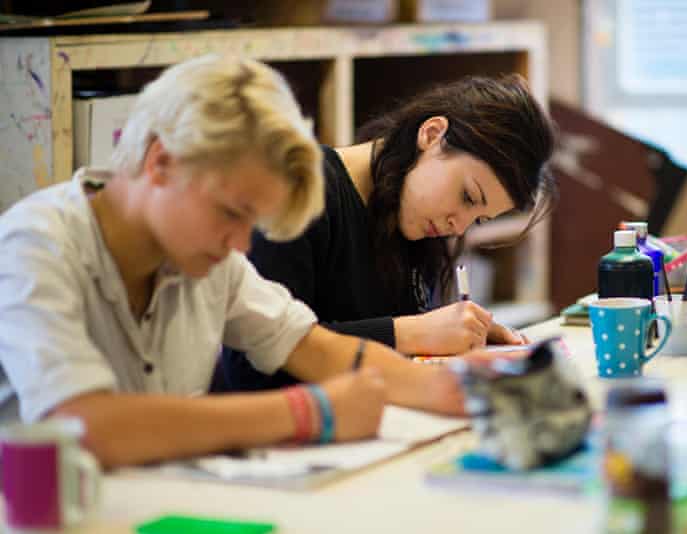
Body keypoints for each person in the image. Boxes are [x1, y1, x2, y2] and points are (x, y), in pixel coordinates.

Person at [0, 55, 465, 469]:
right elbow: (84, 425)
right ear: (161, 163)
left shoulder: (206, 256)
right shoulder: (36, 245)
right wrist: (306, 413)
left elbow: (312, 346)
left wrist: (450, 391)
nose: (241, 245)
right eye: (231, 213)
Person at [217, 74, 556, 393]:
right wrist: (411, 333)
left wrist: (459, 335)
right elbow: (252, 364)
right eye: (467, 197)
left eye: (478, 219)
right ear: (432, 135)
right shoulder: (301, 190)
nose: (459, 226)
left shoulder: (413, 220)